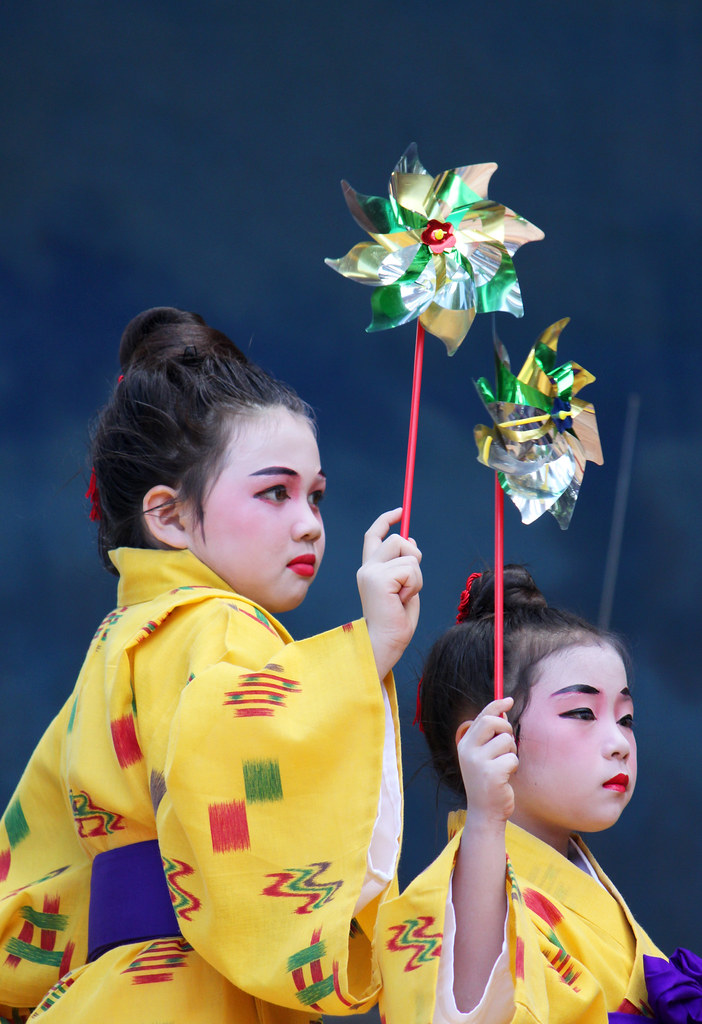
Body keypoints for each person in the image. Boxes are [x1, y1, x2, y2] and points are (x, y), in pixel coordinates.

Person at [0, 307, 422, 1023]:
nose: (310, 522)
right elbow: (232, 747)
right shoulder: (218, 624)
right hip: (194, 990)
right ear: (166, 516)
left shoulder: (118, 642)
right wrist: (368, 648)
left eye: (316, 495)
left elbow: (37, 847)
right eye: (274, 491)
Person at [376, 566, 698, 1024]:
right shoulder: (452, 898)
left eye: (625, 718)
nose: (619, 743)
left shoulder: (580, 879)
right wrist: (486, 819)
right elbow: (471, 1010)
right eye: (583, 712)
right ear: (487, 739)